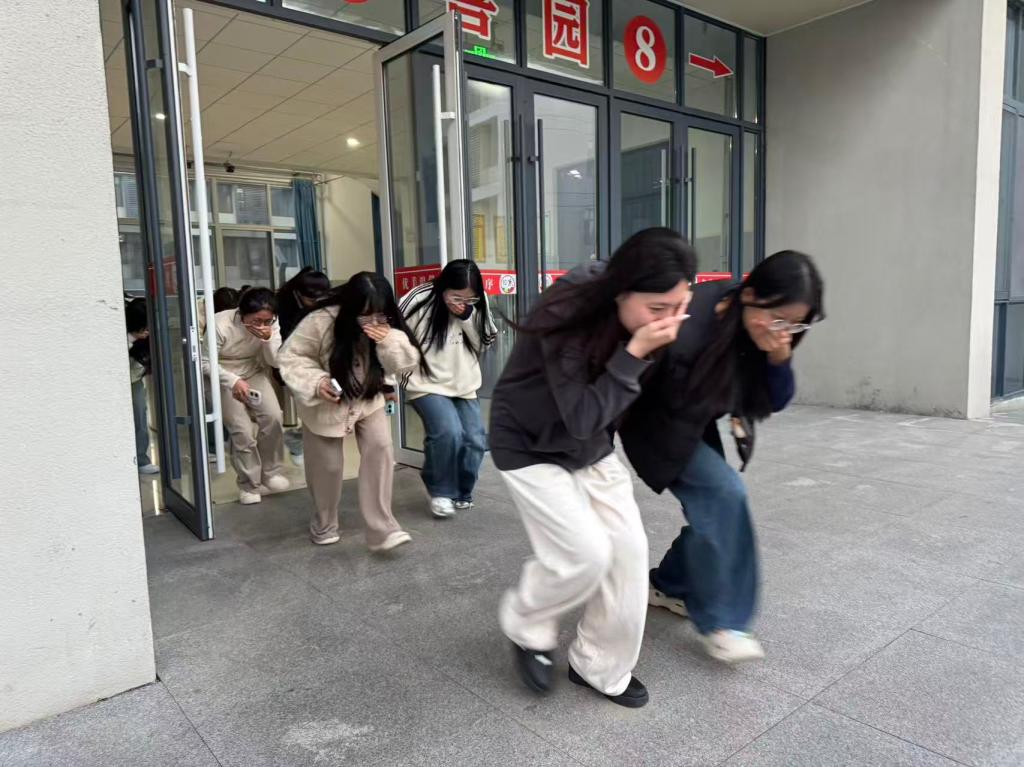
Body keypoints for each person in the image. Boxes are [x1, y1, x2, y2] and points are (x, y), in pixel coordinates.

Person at [489, 228, 697, 708]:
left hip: (591, 445)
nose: (669, 320)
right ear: (622, 291)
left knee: (628, 554)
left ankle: (598, 665)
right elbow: (580, 415)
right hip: (530, 444)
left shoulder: (654, 309)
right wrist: (636, 352)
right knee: (584, 554)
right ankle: (527, 622)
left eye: (679, 306)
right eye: (658, 309)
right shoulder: (569, 308)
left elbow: (606, 418)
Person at [620, 251, 825, 664]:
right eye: (779, 319)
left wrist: (779, 358)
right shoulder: (691, 323)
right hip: (654, 421)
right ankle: (725, 623)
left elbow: (774, 400)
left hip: (694, 419)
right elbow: (639, 385)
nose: (784, 332)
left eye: (796, 324)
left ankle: (669, 584)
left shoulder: (763, 330)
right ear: (749, 295)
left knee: (715, 508)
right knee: (726, 494)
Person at [278, 272, 422, 553]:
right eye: (365, 315)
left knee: (381, 449)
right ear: (349, 308)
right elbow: (291, 356)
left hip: (368, 399)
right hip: (325, 404)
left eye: (380, 315)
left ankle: (383, 529)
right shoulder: (321, 320)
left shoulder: (387, 326)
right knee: (328, 467)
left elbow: (405, 364)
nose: (374, 322)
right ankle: (324, 524)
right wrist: (317, 382)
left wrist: (389, 340)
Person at [400, 259, 497, 518]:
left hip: (463, 382)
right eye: (456, 297)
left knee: (474, 440)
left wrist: (467, 317)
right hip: (425, 381)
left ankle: (462, 492)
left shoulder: (476, 303)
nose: (462, 302)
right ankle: (440, 490)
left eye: (470, 298)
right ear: (443, 287)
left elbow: (485, 341)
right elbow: (395, 337)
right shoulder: (418, 299)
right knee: (447, 432)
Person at [206, 287, 289, 505]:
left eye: (267, 321)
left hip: (253, 370)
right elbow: (205, 362)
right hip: (221, 374)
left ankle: (270, 473)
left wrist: (268, 339)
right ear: (242, 313)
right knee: (242, 430)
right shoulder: (220, 323)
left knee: (273, 417)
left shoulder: (272, 324)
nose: (262, 325)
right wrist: (233, 381)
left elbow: (275, 361)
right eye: (256, 321)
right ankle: (249, 484)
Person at [276, 268, 331, 467]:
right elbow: (282, 343)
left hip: (318, 359)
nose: (317, 303)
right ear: (298, 293)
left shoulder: (324, 303)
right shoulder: (282, 306)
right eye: (312, 299)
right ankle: (300, 441)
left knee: (321, 406)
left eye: (321, 298)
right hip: (293, 362)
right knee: (309, 404)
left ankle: (298, 439)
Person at [126, 298, 159, 476]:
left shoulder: (147, 339)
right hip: (122, 380)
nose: (147, 331)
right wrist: (131, 338)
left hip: (136, 380)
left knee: (140, 416)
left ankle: (141, 459)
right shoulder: (124, 337)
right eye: (143, 327)